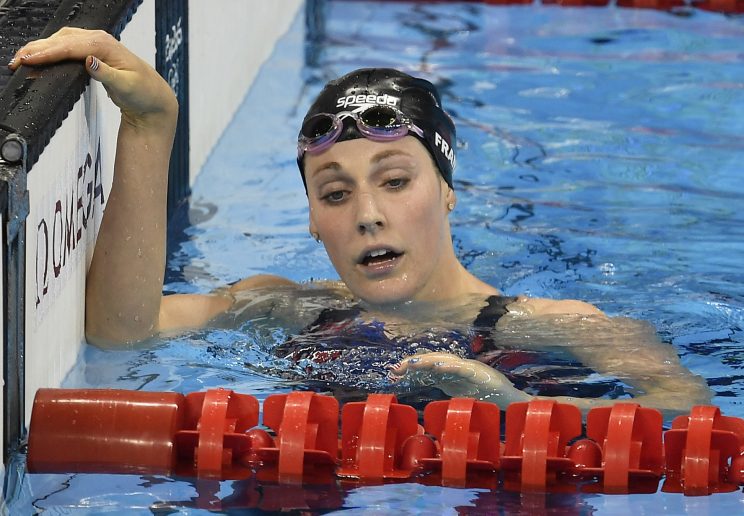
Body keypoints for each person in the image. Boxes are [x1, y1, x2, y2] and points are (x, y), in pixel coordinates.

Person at [10, 28, 712, 416]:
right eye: (336, 193)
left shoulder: (558, 325)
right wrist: (150, 124)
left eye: (396, 182)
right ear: (313, 220)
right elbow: (122, 331)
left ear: (447, 192)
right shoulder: (286, 305)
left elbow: (686, 406)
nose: (369, 215)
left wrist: (517, 407)